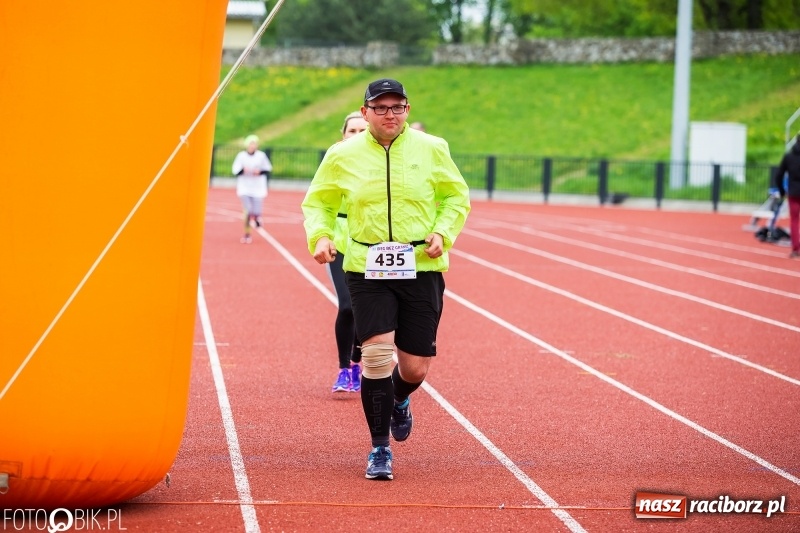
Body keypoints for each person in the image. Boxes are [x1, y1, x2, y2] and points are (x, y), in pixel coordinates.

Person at [301, 78, 471, 480]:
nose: (389, 114)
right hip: (365, 266)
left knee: (414, 368)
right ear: (365, 112)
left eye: (397, 107)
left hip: (420, 266)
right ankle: (380, 449)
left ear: (407, 110)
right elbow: (319, 201)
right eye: (381, 108)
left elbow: (455, 196)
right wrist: (321, 235)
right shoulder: (342, 155)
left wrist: (443, 232)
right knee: (376, 357)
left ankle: (399, 399)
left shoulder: (433, 149)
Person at [329, 111, 367, 393]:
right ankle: (344, 369)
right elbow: (320, 203)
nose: (356, 135)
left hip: (371, 243)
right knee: (347, 305)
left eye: (362, 131)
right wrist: (323, 237)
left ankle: (357, 362)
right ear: (343, 135)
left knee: (366, 310)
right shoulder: (334, 163)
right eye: (352, 131)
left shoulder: (381, 163)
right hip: (341, 241)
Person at [232, 134, 272, 243]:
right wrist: (242, 170)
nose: (252, 146)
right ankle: (247, 234)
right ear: (247, 145)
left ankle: (258, 218)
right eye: (250, 144)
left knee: (256, 211)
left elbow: (268, 169)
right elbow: (235, 170)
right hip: (244, 188)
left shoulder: (261, 156)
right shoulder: (241, 156)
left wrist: (259, 172)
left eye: (254, 144)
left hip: (258, 188)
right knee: (247, 211)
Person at [775, 134, 800, 258]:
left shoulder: (789, 157)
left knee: (794, 220)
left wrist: (781, 191)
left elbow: (779, 175)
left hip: (794, 193)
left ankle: (796, 249)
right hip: (794, 192)